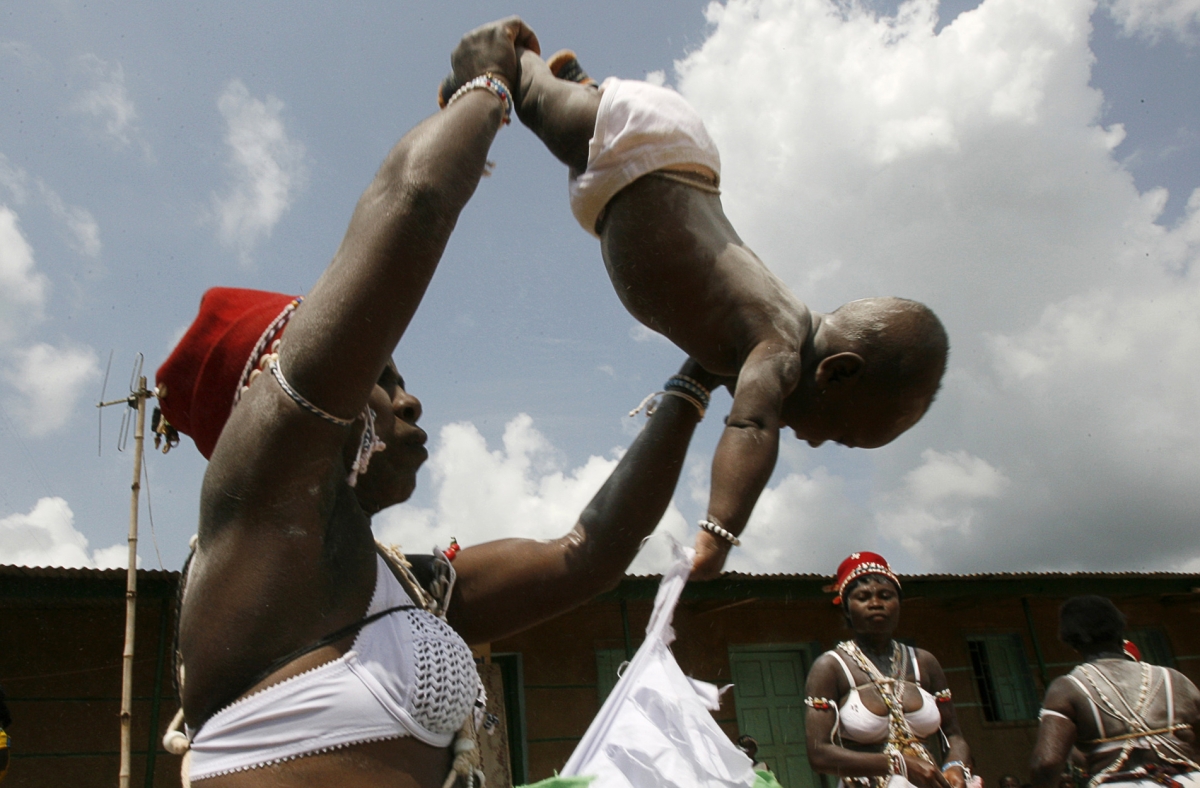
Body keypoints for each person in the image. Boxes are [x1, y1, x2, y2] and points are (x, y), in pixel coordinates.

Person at [156, 18, 725, 788]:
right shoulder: (256, 519)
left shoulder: (408, 588)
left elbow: (585, 556)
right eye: (381, 377)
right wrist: (487, 86)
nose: (411, 400)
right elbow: (413, 200)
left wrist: (696, 379)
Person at [483, 48, 950, 579]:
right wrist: (719, 532)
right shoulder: (775, 347)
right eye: (838, 432)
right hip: (645, 153)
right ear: (837, 372)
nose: (817, 442)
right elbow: (751, 425)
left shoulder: (750, 339)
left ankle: (579, 83)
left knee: (573, 134)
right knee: (538, 104)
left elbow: (703, 378)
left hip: (649, 164)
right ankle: (513, 55)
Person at [804, 553, 975, 788]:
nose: (876, 603)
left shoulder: (924, 663)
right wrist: (899, 764)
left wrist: (954, 766)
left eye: (886, 596)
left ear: (899, 605)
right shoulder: (831, 667)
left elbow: (953, 735)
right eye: (863, 597)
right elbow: (819, 754)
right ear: (846, 609)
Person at [1030, 596, 1200, 788]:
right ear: (1120, 632)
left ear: (1072, 643)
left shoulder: (1067, 688)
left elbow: (1046, 763)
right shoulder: (1173, 678)